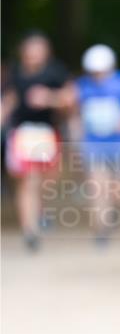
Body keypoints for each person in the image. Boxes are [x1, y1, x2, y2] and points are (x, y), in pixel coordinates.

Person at [1, 31, 75, 250]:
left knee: (46, 180)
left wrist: (49, 99)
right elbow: (9, 99)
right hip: (22, 133)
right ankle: (29, 231)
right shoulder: (14, 72)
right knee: (27, 181)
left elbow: (70, 99)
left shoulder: (56, 71)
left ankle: (40, 210)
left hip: (47, 133)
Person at [74, 44, 120, 244]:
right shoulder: (82, 85)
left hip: (119, 143)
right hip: (93, 143)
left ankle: (116, 210)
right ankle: (101, 228)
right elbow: (75, 111)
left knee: (118, 187)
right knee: (97, 186)